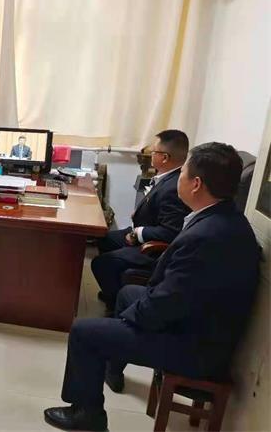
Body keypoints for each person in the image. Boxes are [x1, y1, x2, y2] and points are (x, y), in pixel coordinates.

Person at [44, 142, 260, 431]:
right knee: (126, 293)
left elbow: (165, 304)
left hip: (194, 348)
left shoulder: (208, 237)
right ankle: (112, 367)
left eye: (183, 172)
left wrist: (128, 320)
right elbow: (178, 294)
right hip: (196, 323)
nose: (178, 178)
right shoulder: (224, 218)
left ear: (196, 184)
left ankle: (88, 414)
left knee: (85, 332)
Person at [92, 129, 191, 314]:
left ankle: (119, 305)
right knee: (104, 238)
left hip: (154, 248)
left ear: (164, 158)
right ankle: (113, 288)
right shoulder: (167, 177)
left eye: (153, 152)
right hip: (143, 231)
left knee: (101, 263)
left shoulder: (174, 187)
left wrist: (137, 234)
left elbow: (171, 232)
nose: (150, 155)